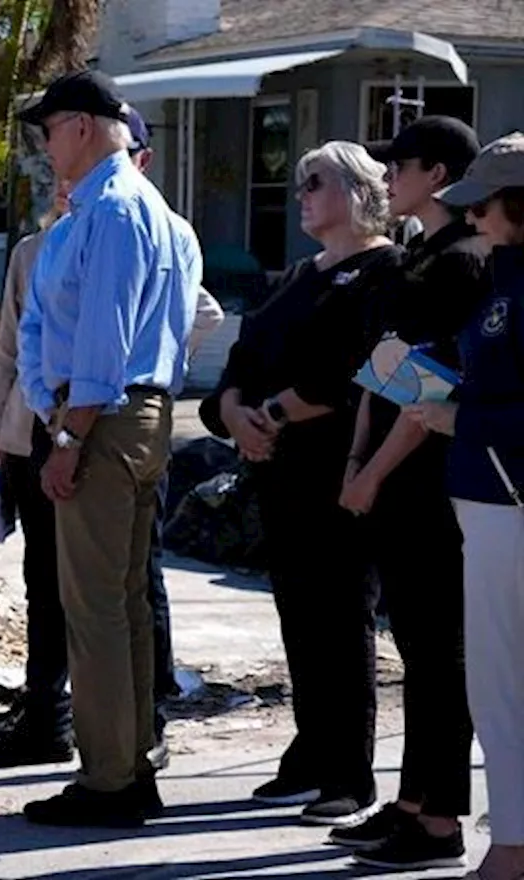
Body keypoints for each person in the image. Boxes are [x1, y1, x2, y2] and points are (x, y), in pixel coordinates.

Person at [15, 69, 200, 827]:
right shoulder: (120, 209)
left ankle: (110, 779)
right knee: (118, 604)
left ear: (83, 126)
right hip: (123, 416)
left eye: (50, 130)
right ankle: (124, 764)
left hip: (103, 417)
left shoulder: (115, 211)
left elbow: (100, 344)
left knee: (95, 607)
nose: (46, 146)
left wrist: (66, 435)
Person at [201, 141, 402, 825]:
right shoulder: (293, 277)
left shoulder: (386, 271)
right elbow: (240, 359)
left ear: (356, 191)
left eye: (315, 182)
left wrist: (277, 412)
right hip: (276, 475)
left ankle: (350, 772)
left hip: (339, 473)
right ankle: (311, 753)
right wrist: (235, 412)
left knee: (344, 623)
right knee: (299, 621)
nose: (302, 194)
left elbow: (361, 370)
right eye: (299, 183)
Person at [333, 117, 485, 871]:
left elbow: (432, 391)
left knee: (438, 657)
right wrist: (358, 457)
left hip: (429, 480)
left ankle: (439, 820)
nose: (388, 177)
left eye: (401, 165)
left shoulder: (462, 263)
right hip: (390, 470)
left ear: (440, 174)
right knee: (417, 652)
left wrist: (373, 471)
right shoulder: (418, 256)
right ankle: (411, 800)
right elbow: (381, 371)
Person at [406, 130, 524, 880]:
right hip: (490, 499)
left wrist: (461, 419)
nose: (472, 218)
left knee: (502, 681)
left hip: (507, 500)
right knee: (498, 680)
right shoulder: (501, 282)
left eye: (485, 204)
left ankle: (512, 846)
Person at [125, 108, 225, 767]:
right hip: (83, 422)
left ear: (143, 157)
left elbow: (206, 311)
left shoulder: (162, 230)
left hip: (130, 416)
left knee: (140, 570)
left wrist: (169, 363)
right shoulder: (77, 227)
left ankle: (148, 704)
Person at [0, 179, 76, 768]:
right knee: (43, 580)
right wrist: (0, 433)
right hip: (31, 433)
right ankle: (46, 714)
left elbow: (196, 312)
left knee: (91, 588)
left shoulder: (129, 234)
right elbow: (9, 346)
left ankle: (104, 720)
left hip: (88, 427)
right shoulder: (34, 251)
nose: (63, 184)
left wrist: (150, 381)